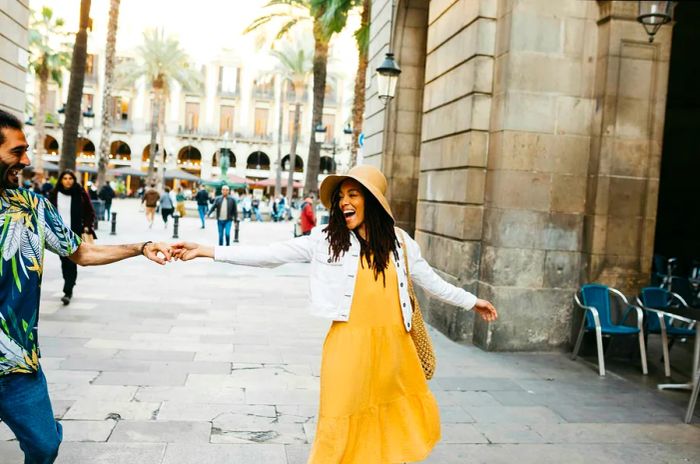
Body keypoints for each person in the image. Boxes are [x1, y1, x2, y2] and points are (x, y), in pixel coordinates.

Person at [173, 165, 498, 463]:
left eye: (353, 194)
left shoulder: (400, 243)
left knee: (387, 416)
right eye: (341, 196)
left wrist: (472, 302)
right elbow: (269, 254)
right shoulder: (327, 240)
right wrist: (207, 250)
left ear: (371, 200)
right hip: (348, 346)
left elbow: (432, 282)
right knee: (339, 415)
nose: (344, 201)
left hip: (395, 348)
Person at [0, 109, 172, 464]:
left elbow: (81, 251)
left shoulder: (30, 206)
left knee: (45, 445)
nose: (27, 159)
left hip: (16, 363)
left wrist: (139, 248)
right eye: (17, 152)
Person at [48, 170, 97, 306]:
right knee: (64, 261)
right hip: (58, 234)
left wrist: (87, 225)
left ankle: (68, 291)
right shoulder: (54, 194)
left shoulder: (80, 194)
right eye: (65, 178)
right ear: (61, 180)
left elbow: (90, 212)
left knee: (72, 261)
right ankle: (69, 282)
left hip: (75, 233)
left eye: (70, 178)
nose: (68, 181)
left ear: (74, 180)